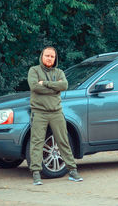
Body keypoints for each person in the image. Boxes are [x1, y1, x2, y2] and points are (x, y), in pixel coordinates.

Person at [27, 46, 83, 185]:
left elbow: (64, 85)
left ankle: (72, 170)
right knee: (37, 142)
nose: (49, 58)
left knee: (63, 141)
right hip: (39, 112)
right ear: (42, 56)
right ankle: (36, 173)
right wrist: (54, 87)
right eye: (47, 55)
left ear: (55, 59)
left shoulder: (59, 72)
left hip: (56, 112)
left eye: (52, 56)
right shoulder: (34, 70)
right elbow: (34, 87)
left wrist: (45, 84)